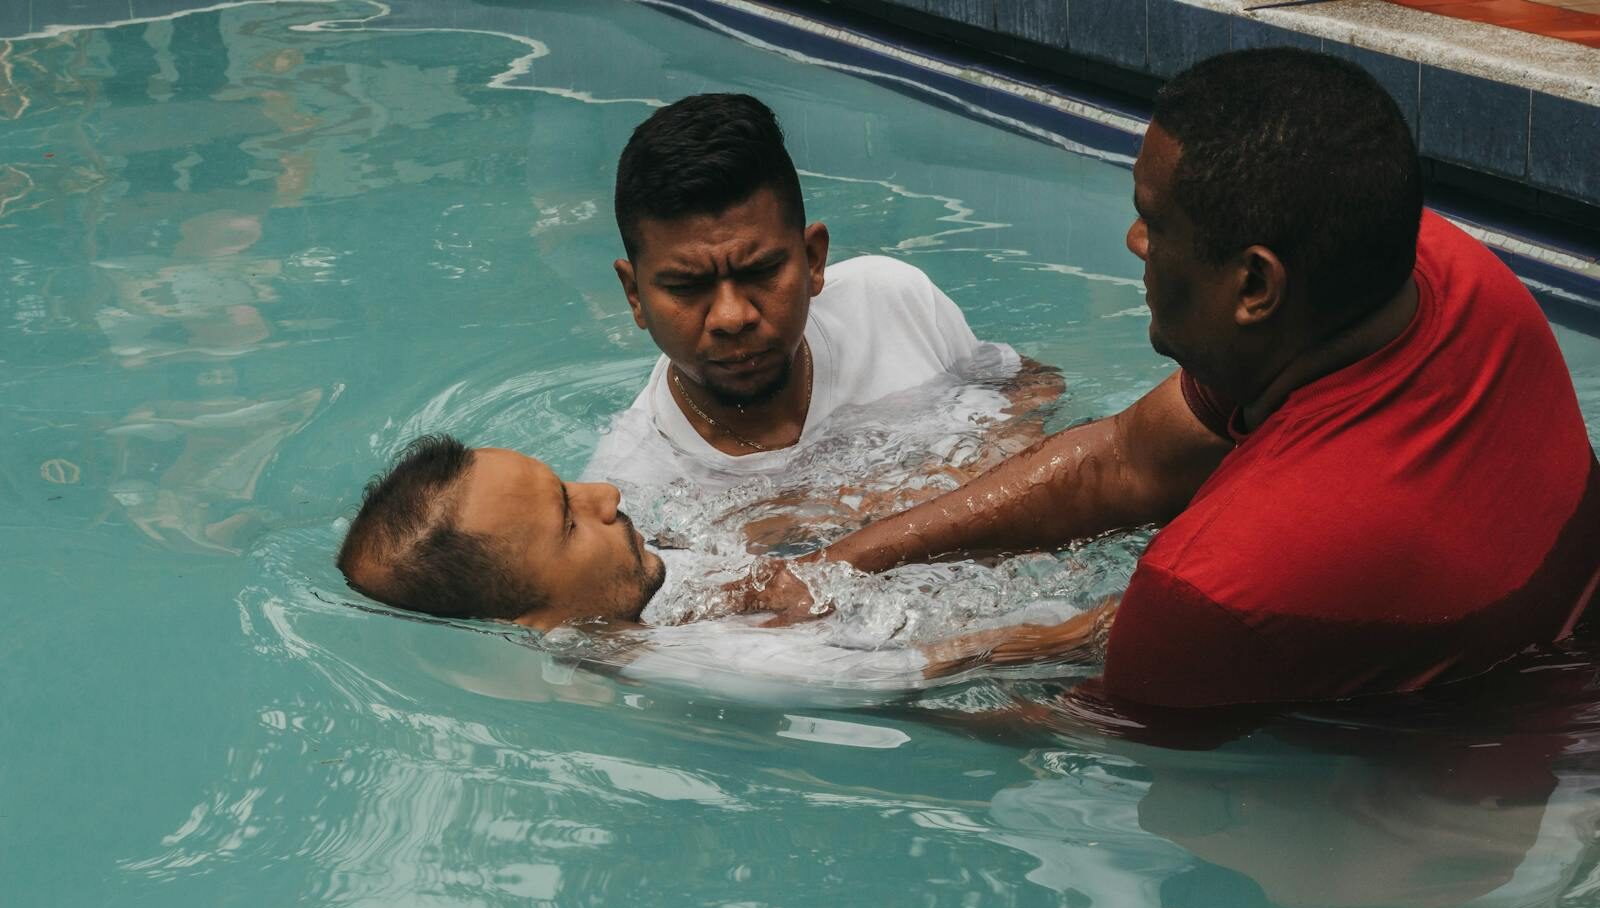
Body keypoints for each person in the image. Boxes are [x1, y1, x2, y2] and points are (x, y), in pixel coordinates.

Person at [737, 48, 1600, 708]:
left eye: (1155, 222)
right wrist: (832, 566)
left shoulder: (1217, 583)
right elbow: (1126, 459)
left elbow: (1076, 730)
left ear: (1255, 285)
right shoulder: (1449, 271)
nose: (1134, 245)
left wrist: (794, 672)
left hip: (1502, 776)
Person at [335, 435, 1113, 688]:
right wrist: (1087, 634)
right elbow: (932, 664)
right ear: (538, 624)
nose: (604, 491)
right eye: (570, 519)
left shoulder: (625, 586)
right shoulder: (696, 662)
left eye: (567, 483)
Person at [585, 92, 1035, 495]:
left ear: (813, 260)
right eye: (687, 287)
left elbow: (1028, 387)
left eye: (760, 271)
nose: (731, 316)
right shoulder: (632, 490)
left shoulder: (892, 302)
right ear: (635, 296)